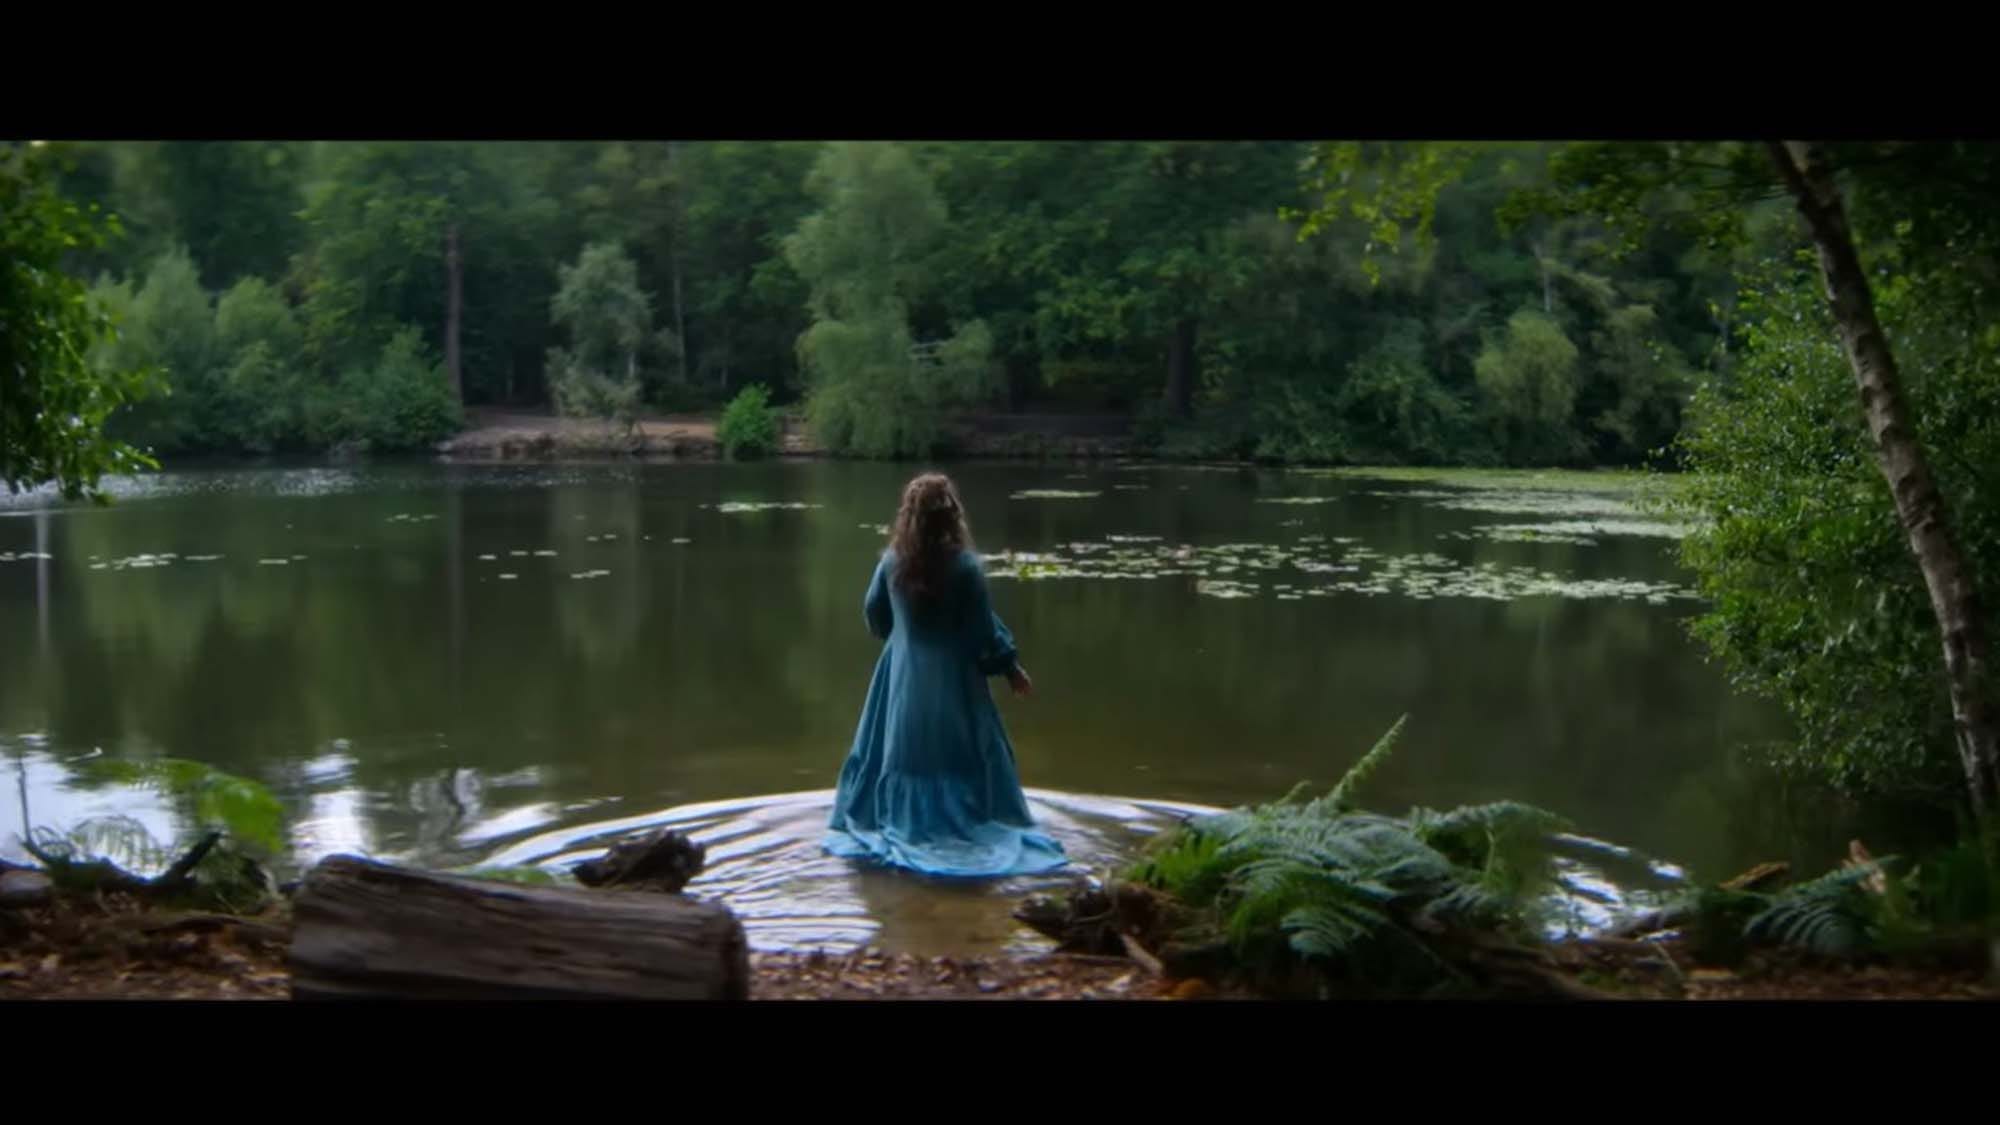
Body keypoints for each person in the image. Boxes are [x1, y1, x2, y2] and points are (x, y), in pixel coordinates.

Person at [824, 472, 1067, 877]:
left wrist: (901, 638)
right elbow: (982, 630)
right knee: (962, 755)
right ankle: (961, 826)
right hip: (955, 678)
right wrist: (1009, 667)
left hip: (900, 677)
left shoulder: (891, 562)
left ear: (908, 515)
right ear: (953, 515)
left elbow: (874, 613)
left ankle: (894, 822)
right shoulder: (966, 568)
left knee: (896, 754)